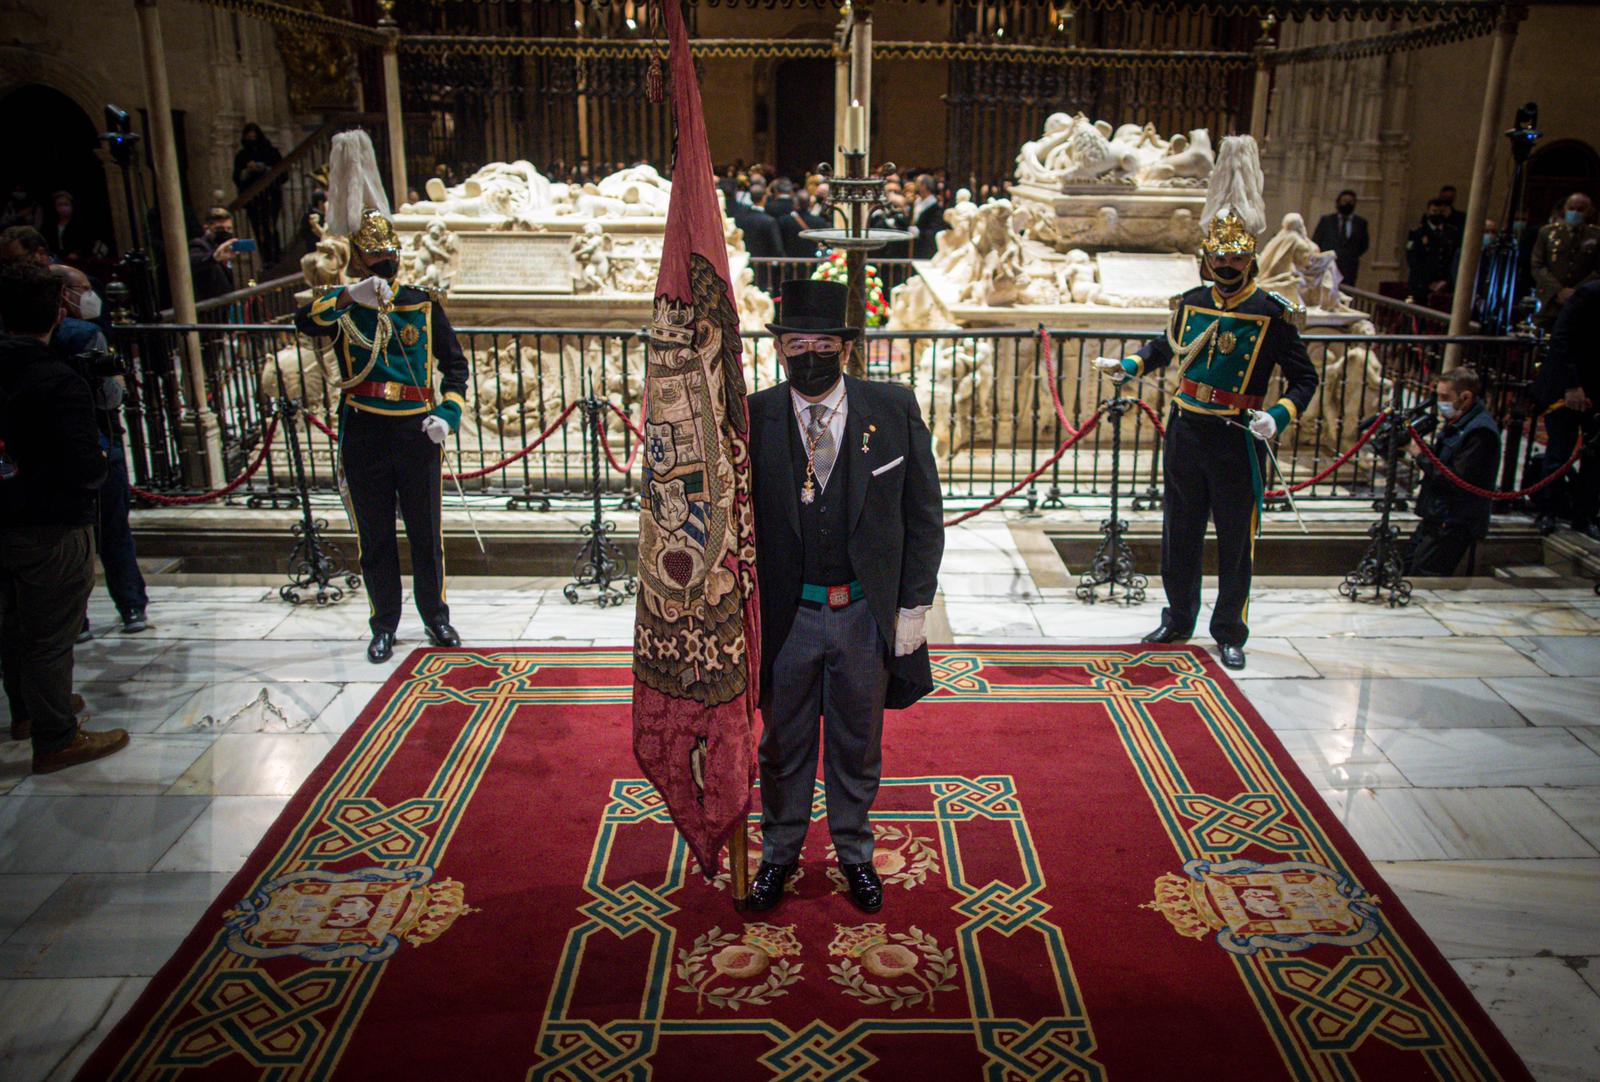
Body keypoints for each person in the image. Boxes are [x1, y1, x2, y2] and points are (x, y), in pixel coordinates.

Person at [743, 279, 944, 914]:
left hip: (863, 612)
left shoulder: (893, 407)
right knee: (783, 744)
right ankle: (779, 854)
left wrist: (913, 608)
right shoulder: (753, 417)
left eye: (822, 341)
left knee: (859, 742)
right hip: (786, 616)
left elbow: (924, 517)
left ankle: (855, 853)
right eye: (796, 341)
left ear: (845, 349)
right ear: (780, 351)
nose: (809, 353)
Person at [1094, 135, 1318, 671]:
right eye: (1219, 255)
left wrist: (1278, 415)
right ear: (1206, 257)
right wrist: (1128, 367)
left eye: (1236, 256)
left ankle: (1230, 629)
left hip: (1239, 435)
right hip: (1187, 428)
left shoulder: (1272, 313)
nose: (1227, 263)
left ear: (1250, 259)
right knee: (1181, 530)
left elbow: (1304, 380)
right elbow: (1165, 348)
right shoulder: (1189, 304)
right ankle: (1178, 618)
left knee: (1236, 539)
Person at [292, 131, 468, 663]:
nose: (383, 270)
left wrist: (447, 415)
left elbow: (455, 367)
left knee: (425, 533)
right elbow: (304, 322)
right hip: (365, 428)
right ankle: (384, 623)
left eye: (387, 260)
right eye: (374, 262)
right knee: (374, 537)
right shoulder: (344, 305)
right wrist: (347, 295)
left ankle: (436, 616)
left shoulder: (421, 304)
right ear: (362, 264)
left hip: (416, 430)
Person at [0, 260, 128, 773]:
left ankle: (28, 713)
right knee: (52, 632)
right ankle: (56, 738)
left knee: (13, 624)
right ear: (57, 311)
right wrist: (98, 463)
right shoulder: (56, 379)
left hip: (5, 515)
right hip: (51, 522)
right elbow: (82, 462)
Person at [50, 265, 149, 633]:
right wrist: (117, 380)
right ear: (63, 294)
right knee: (113, 531)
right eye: (84, 288)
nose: (93, 295)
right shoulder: (84, 335)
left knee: (68, 539)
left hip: (52, 453)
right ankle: (131, 606)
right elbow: (110, 397)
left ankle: (77, 619)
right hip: (97, 444)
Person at [1404, 368, 1501, 574]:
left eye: (1445, 397)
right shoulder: (1459, 422)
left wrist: (1420, 454)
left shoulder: (1480, 432)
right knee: (1406, 567)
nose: (1440, 403)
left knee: (1423, 576)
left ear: (1466, 397)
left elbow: (1454, 478)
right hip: (1436, 516)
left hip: (1453, 522)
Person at [1532, 277, 1600, 538]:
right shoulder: (1588, 295)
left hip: (1596, 391)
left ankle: (1584, 516)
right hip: (1567, 386)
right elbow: (1561, 341)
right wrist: (1572, 386)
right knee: (1559, 451)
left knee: (1595, 458)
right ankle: (1548, 510)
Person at [1529, 192, 1600, 329]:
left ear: (1588, 211)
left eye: (1580, 209)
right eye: (1571, 208)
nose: (1575, 213)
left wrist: (1576, 292)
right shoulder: (1547, 233)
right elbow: (1537, 265)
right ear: (1564, 209)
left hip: (1582, 300)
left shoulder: (1595, 236)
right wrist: (1558, 290)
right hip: (1550, 300)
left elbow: (1597, 270)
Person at [233, 122, 285, 263]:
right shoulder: (242, 156)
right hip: (253, 198)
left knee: (270, 226)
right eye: (249, 134)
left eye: (254, 134)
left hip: (270, 195)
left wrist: (264, 168)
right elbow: (237, 177)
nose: (251, 136)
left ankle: (276, 257)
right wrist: (247, 171)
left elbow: (282, 173)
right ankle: (266, 259)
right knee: (258, 229)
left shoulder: (271, 152)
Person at [1406, 197, 1460, 307]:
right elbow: (1413, 260)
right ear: (1428, 212)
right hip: (1422, 286)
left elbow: (1453, 260)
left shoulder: (1452, 232)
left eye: (1440, 212)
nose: (1437, 214)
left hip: (1444, 285)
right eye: (1434, 211)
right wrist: (1428, 283)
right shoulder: (1418, 233)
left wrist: (1445, 281)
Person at [1311, 189, 1370, 287]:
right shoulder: (1326, 221)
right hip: (1327, 265)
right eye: (1344, 201)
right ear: (1338, 202)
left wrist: (1350, 255)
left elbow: (1363, 245)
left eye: (1351, 202)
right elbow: (1317, 240)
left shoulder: (1360, 223)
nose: (1347, 204)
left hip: (1348, 269)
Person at [189, 208, 238, 303]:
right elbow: (196, 261)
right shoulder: (198, 244)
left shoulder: (227, 248)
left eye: (229, 229)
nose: (225, 232)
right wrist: (214, 257)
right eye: (219, 229)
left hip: (224, 305)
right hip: (208, 307)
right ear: (207, 228)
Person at [911, 175, 945, 260]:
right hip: (914, 246)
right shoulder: (917, 202)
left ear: (924, 186)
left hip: (925, 248)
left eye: (918, 183)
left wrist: (920, 232)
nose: (916, 185)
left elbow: (935, 230)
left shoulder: (935, 207)